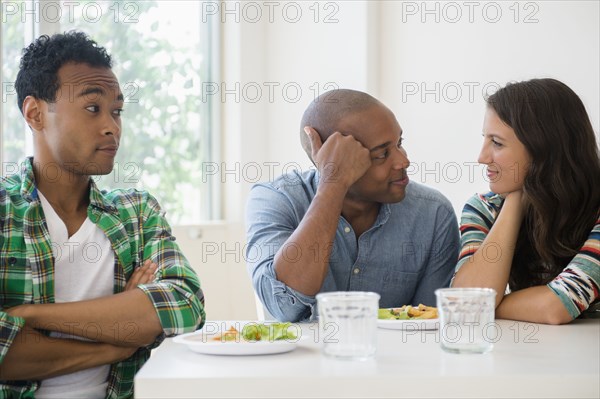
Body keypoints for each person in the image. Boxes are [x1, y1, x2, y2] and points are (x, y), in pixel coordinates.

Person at [0, 32, 205, 398]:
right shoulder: (5, 214)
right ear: (34, 113)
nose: (112, 126)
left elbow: (185, 304)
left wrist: (30, 317)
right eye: (93, 108)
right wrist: (120, 343)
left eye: (117, 111)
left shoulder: (137, 213)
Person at [245, 89, 460, 322]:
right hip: (299, 358)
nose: (403, 160)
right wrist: (333, 183)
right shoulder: (276, 199)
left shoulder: (433, 214)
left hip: (396, 358)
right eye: (381, 154)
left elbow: (428, 324)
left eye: (400, 143)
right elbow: (284, 307)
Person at [452, 78, 600, 324]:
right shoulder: (483, 208)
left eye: (497, 143)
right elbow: (465, 299)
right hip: (529, 356)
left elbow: (557, 307)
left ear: (544, 149)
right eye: (485, 139)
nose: (481, 157)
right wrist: (515, 200)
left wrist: (486, 305)